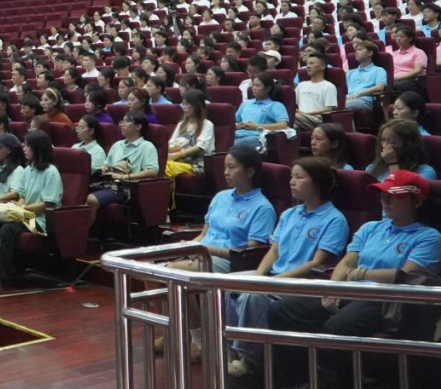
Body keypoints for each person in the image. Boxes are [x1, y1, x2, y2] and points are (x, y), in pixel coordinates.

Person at [266, 171, 441, 388]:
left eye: (394, 196)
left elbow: (405, 274)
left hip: (387, 298)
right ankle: (300, 379)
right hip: (351, 290)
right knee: (280, 311)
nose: (385, 201)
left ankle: (340, 383)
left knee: (337, 328)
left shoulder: (429, 237)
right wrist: (332, 289)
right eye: (382, 195)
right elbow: (347, 262)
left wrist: (360, 274)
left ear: (416, 201)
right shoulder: (370, 228)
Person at [225, 158, 350, 378]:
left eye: (299, 177)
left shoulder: (334, 219)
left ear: (317, 183)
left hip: (302, 283)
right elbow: (274, 251)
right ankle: (230, 351)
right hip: (277, 275)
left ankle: (250, 359)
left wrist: (275, 281)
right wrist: (259, 276)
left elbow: (317, 263)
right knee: (229, 285)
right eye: (291, 176)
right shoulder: (289, 214)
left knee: (253, 297)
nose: (291, 182)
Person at [155, 147, 276, 362]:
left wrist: (205, 251)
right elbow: (204, 235)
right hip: (201, 253)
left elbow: (252, 251)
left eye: (232, 167)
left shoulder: (262, 207)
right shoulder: (220, 197)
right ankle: (175, 329)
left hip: (229, 261)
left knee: (172, 274)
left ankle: (200, 341)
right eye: (225, 168)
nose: (226, 173)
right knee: (151, 270)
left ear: (250, 171)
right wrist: (187, 247)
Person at [0, 130, 63, 290]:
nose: (24, 148)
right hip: (24, 215)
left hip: (40, 221)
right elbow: (23, 196)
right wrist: (18, 206)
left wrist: (22, 208)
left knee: (8, 228)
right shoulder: (28, 170)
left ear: (38, 148)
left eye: (27, 146)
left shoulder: (51, 172)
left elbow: (48, 204)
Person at [86, 110, 160, 211]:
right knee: (79, 192)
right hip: (108, 183)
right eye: (122, 121)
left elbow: (152, 171)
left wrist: (125, 177)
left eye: (127, 121)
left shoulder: (147, 146)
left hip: (126, 188)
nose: (122, 124)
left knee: (91, 199)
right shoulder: (117, 145)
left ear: (138, 126)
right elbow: (106, 164)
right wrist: (104, 168)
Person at [164, 90, 216, 206]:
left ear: (197, 106)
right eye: (183, 103)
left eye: (188, 104)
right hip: (178, 161)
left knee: (166, 167)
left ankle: (167, 205)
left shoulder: (207, 124)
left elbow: (199, 147)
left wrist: (176, 155)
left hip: (196, 164)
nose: (184, 107)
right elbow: (171, 144)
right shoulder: (182, 124)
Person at [232, 72, 289, 151]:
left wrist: (256, 126)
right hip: (237, 134)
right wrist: (238, 125)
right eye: (253, 85)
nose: (254, 88)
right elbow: (233, 122)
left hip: (257, 137)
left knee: (231, 145)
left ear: (268, 88)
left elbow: (283, 125)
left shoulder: (276, 105)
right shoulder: (246, 103)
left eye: (258, 85)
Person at [366, 119, 437, 181]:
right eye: (383, 140)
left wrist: (393, 163)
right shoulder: (373, 169)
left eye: (392, 142)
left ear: (408, 145)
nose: (385, 145)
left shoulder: (425, 172)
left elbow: (398, 190)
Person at [293, 54, 338, 131]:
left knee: (289, 117)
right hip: (300, 118)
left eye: (311, 63)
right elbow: (292, 103)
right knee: (291, 127)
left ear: (322, 66)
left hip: (317, 119)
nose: (308, 66)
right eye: (307, 64)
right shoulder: (301, 85)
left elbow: (328, 109)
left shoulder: (329, 86)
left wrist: (307, 114)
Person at [344, 40, 388, 112]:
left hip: (365, 100)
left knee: (342, 107)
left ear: (370, 53)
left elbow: (379, 87)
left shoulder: (379, 70)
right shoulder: (350, 73)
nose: (356, 52)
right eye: (356, 50)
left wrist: (359, 94)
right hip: (349, 99)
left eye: (360, 50)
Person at [387, 24, 427, 94]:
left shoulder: (418, 52)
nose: (398, 39)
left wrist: (399, 78)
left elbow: (417, 71)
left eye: (402, 36)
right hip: (394, 80)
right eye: (397, 36)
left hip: (411, 81)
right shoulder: (394, 54)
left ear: (410, 38)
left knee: (393, 86)